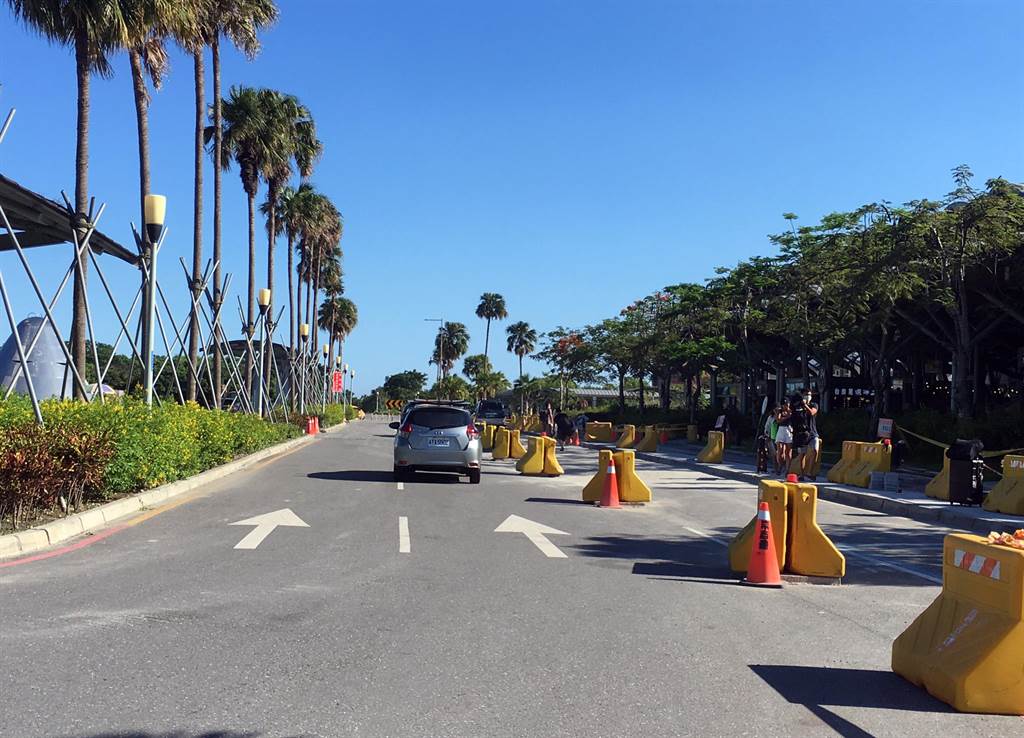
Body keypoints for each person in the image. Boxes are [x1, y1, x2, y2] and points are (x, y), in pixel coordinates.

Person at [790, 388, 820, 480]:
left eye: (810, 394)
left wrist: (805, 405)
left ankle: (810, 472)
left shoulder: (813, 404)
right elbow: (793, 415)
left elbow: (812, 412)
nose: (808, 396)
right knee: (803, 454)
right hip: (802, 433)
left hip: (813, 432)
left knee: (815, 450)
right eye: (806, 394)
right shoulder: (797, 406)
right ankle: (802, 474)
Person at [774, 400, 793, 477]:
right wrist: (786, 417)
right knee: (780, 450)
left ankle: (788, 470)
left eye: (787, 404)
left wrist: (787, 415)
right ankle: (780, 465)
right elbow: (778, 420)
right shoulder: (779, 411)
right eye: (785, 405)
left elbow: (792, 418)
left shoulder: (791, 411)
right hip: (781, 430)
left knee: (788, 452)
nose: (786, 406)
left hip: (789, 430)